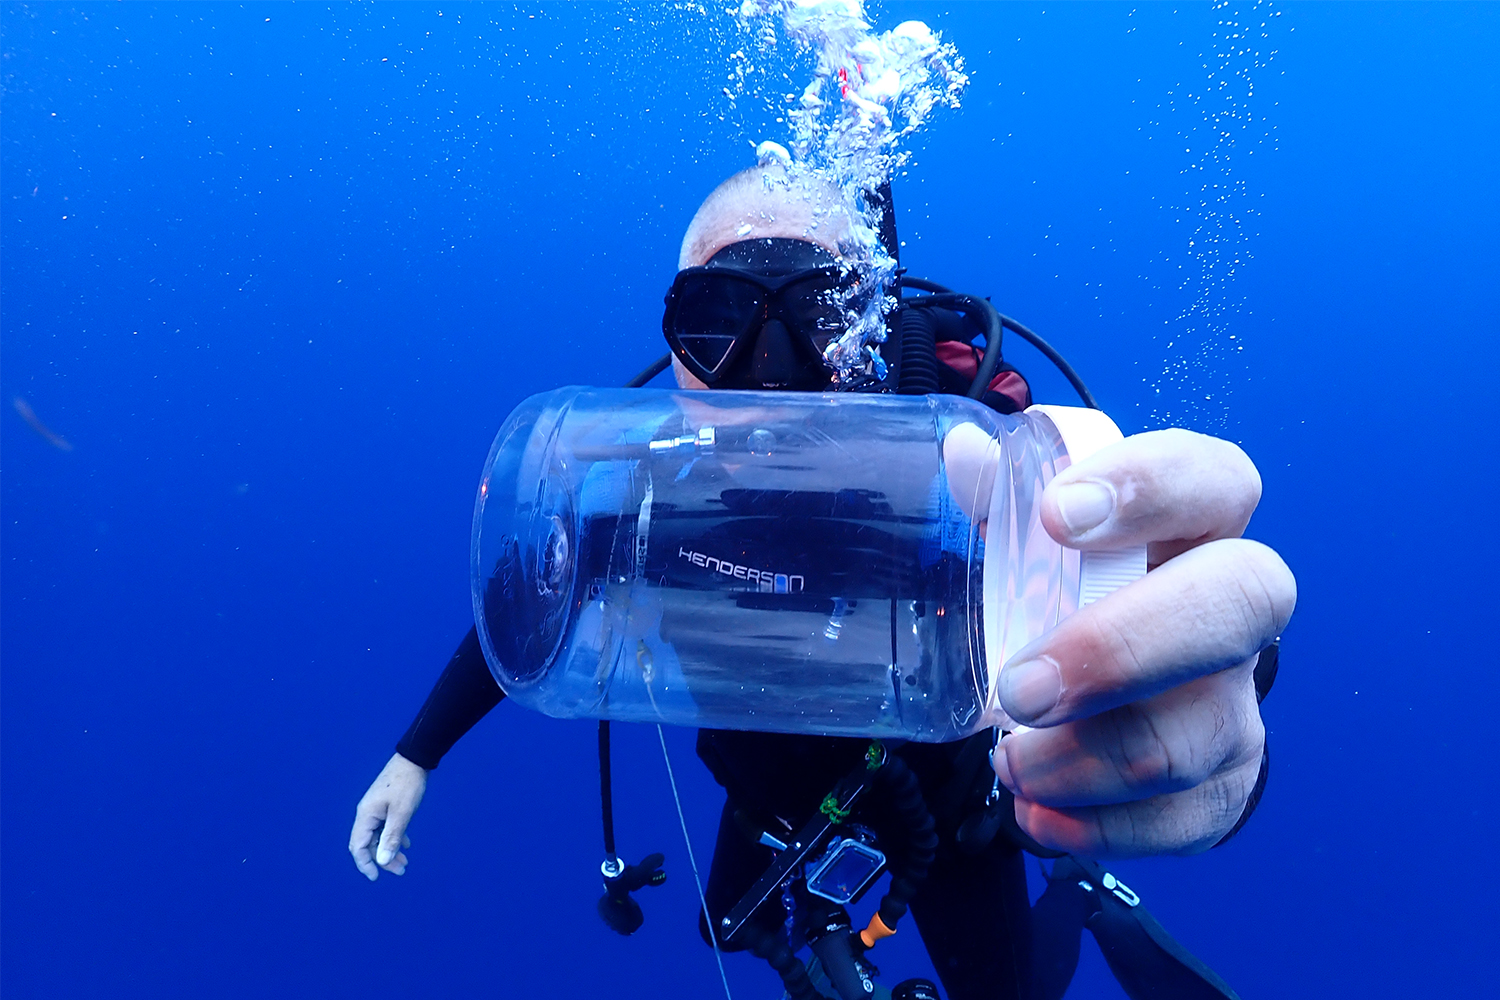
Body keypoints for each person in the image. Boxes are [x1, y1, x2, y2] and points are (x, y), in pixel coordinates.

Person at [349, 165, 1296, 999]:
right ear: (679, 356)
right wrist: (414, 754)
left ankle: (1084, 903)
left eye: (820, 317)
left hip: (953, 809)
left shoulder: (987, 477)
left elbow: (1141, 613)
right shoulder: (651, 491)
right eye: (721, 325)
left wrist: (1221, 690)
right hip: (778, 800)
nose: (771, 372)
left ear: (873, 329)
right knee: (727, 926)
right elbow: (534, 604)